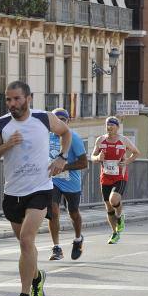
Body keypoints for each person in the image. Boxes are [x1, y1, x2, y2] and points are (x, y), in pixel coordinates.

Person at [0, 81, 70, 296]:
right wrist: (6, 146)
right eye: (8, 100)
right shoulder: (2, 124)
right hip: (13, 192)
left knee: (25, 239)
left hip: (40, 189)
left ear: (28, 98)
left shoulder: (44, 118)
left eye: (17, 99)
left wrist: (62, 157)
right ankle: (36, 277)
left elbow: (66, 133)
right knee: (26, 246)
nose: (12, 104)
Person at [91, 117, 140, 244]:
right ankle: (114, 233)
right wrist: (98, 157)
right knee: (108, 207)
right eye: (108, 125)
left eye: (112, 125)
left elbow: (136, 153)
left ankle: (119, 217)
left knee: (114, 200)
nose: (110, 127)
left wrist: (127, 162)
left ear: (117, 127)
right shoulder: (100, 140)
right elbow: (92, 156)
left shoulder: (123, 140)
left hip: (120, 176)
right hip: (105, 176)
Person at [45, 108, 86, 260]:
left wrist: (63, 166)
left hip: (71, 182)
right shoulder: (47, 137)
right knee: (53, 211)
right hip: (52, 180)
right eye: (57, 120)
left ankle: (78, 239)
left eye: (64, 120)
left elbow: (83, 163)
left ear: (68, 122)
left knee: (73, 213)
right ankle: (56, 248)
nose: (60, 123)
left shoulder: (73, 138)